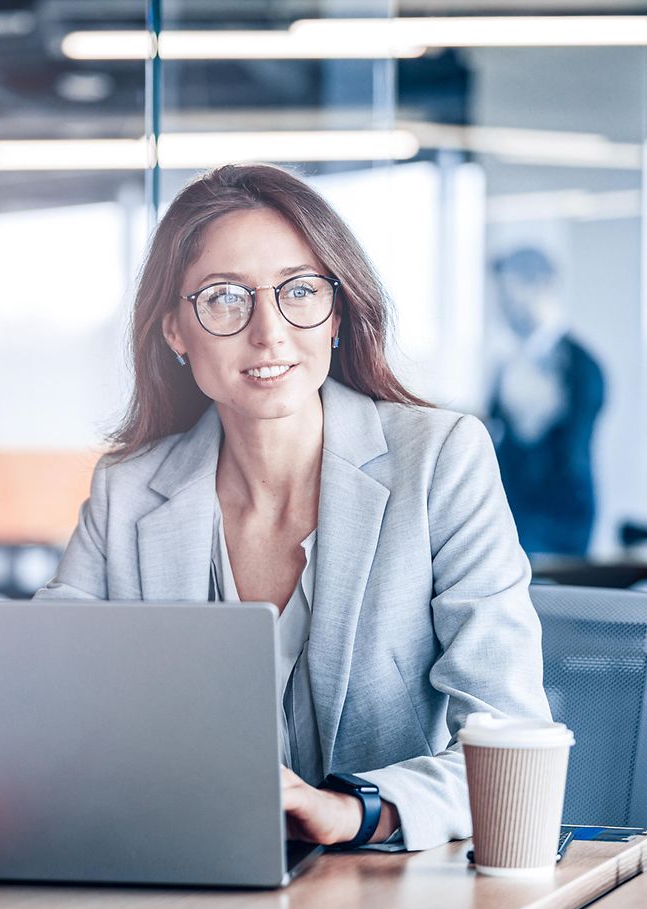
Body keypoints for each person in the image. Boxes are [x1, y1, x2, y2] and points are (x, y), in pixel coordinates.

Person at [36, 164, 550, 851]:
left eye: (300, 291)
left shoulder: (439, 461)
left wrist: (355, 810)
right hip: (188, 874)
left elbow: (509, 738)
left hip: (389, 890)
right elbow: (41, 704)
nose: (270, 333)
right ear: (175, 332)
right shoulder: (127, 491)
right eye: (224, 299)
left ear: (337, 311)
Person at [488, 246, 606, 556]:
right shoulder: (510, 362)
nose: (503, 308)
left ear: (540, 287)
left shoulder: (580, 367)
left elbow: (568, 448)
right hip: (509, 516)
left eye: (510, 297)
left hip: (556, 526)